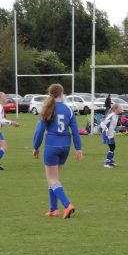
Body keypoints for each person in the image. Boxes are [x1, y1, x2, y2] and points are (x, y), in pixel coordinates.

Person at [32, 84, 83, 218]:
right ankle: (53, 209)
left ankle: (67, 205)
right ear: (62, 93)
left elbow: (40, 131)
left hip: (52, 146)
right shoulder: (68, 109)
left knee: (52, 179)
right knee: (54, 178)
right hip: (65, 146)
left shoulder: (47, 108)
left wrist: (36, 146)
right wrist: (78, 148)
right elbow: (75, 131)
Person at [100, 103, 122, 168]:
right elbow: (102, 124)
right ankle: (106, 163)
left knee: (113, 147)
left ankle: (110, 161)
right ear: (116, 109)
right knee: (112, 147)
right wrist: (106, 130)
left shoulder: (116, 116)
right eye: (120, 107)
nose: (121, 109)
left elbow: (112, 125)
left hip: (111, 134)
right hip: (107, 134)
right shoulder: (111, 115)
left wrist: (118, 129)